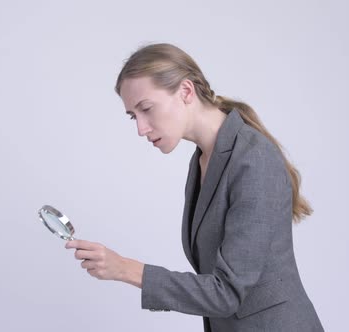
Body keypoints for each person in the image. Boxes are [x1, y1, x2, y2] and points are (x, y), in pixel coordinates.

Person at [65, 43, 324, 331]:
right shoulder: (203, 159)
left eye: (146, 109)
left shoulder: (253, 159)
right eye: (133, 116)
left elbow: (227, 293)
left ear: (186, 92)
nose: (141, 128)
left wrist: (125, 268)